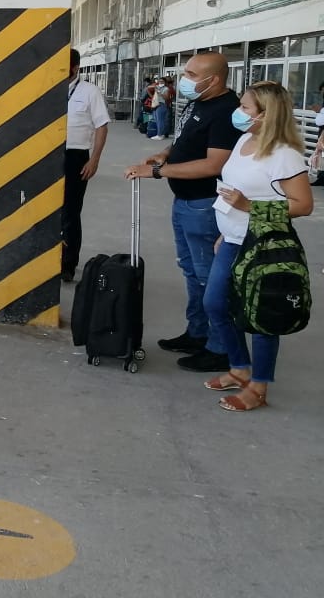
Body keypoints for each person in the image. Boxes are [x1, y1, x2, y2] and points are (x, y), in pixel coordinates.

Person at [198, 81, 313, 410]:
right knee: (217, 305)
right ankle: (239, 368)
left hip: (264, 245)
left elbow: (304, 205)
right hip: (233, 239)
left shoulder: (285, 155)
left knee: (262, 315)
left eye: (245, 108)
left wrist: (250, 208)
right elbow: (232, 189)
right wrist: (226, 228)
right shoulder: (245, 140)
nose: (239, 112)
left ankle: (259, 386)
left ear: (266, 115)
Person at [124, 52, 241, 370]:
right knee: (192, 272)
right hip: (185, 202)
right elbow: (186, 141)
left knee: (210, 278)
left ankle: (220, 348)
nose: (184, 79)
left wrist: (160, 173)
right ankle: (198, 333)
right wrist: (164, 154)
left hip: (205, 205)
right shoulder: (199, 102)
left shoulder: (227, 111)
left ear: (213, 79)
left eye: (191, 73)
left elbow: (214, 163)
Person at [62, 49, 110, 282]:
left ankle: (67, 264)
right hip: (48, 157)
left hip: (75, 157)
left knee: (70, 212)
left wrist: (94, 160)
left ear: (74, 68)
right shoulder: (48, 88)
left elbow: (102, 126)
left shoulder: (90, 92)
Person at [149, 75, 172, 140]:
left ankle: (160, 135)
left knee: (160, 121)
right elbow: (148, 88)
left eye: (162, 81)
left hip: (161, 105)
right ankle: (161, 134)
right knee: (157, 120)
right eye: (159, 81)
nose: (160, 83)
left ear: (165, 82)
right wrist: (152, 96)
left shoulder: (166, 89)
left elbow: (167, 98)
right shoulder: (157, 87)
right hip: (156, 105)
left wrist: (160, 93)